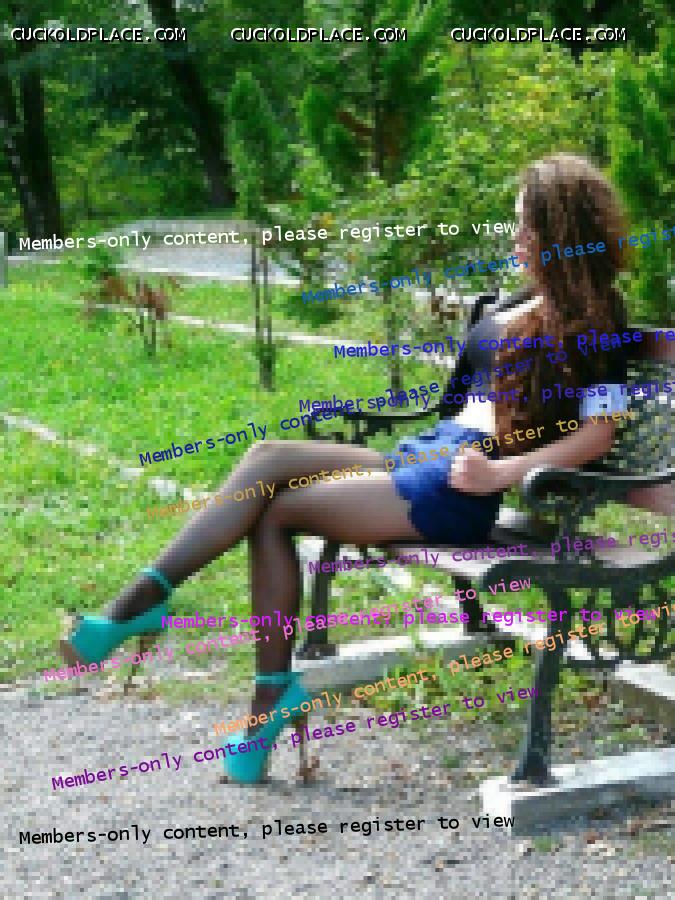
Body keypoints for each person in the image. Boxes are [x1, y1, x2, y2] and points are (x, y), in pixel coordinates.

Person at [60, 153, 630, 784]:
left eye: (529, 226)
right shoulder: (521, 300)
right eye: (516, 224)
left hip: (458, 485)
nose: (517, 238)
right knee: (266, 459)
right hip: (426, 454)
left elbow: (599, 433)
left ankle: (230, 677)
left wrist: (503, 474)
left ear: (564, 232)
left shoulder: (595, 317)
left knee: (275, 513)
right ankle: (157, 616)